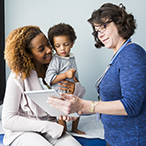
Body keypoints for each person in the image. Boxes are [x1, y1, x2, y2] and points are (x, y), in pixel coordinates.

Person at [47, 3, 146, 146]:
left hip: (131, 140)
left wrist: (85, 105)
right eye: (97, 31)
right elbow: (108, 104)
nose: (100, 34)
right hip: (114, 139)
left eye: (103, 26)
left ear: (119, 23)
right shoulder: (119, 57)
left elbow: (131, 105)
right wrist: (78, 109)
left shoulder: (132, 54)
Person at [2, 25, 86, 146]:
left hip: (52, 128)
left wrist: (75, 88)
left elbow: (76, 98)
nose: (48, 50)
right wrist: (48, 127)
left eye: (48, 44)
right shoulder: (18, 76)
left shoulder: (56, 68)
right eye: (41, 49)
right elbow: (8, 120)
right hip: (24, 131)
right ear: (28, 54)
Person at [45, 23, 85, 135]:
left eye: (66, 44)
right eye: (57, 46)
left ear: (72, 44)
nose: (62, 48)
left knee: (78, 110)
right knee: (61, 115)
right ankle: (62, 131)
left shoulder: (71, 57)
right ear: (53, 46)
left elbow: (75, 77)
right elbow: (49, 78)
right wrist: (65, 75)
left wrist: (77, 84)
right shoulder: (56, 60)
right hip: (60, 94)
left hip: (72, 93)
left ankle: (74, 129)